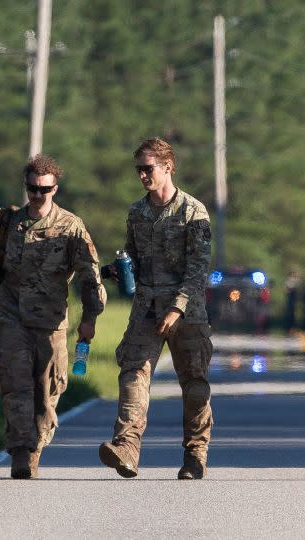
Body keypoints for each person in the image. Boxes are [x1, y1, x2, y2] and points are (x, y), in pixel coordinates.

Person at [0, 154, 106, 479]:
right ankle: (21, 452)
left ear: (55, 189)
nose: (37, 196)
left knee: (47, 392)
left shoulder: (71, 226)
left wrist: (90, 318)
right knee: (15, 384)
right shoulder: (7, 224)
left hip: (52, 322)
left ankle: (36, 444)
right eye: (32, 189)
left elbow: (89, 276)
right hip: (11, 316)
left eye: (44, 190)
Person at [99, 137, 214, 480]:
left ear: (167, 167)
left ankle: (195, 454)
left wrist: (177, 309)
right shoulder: (137, 212)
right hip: (147, 307)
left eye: (147, 169)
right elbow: (132, 256)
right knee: (133, 373)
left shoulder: (193, 211)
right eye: (139, 170)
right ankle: (126, 448)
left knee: (194, 382)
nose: (142, 176)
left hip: (186, 312)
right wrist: (111, 270)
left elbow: (198, 268)